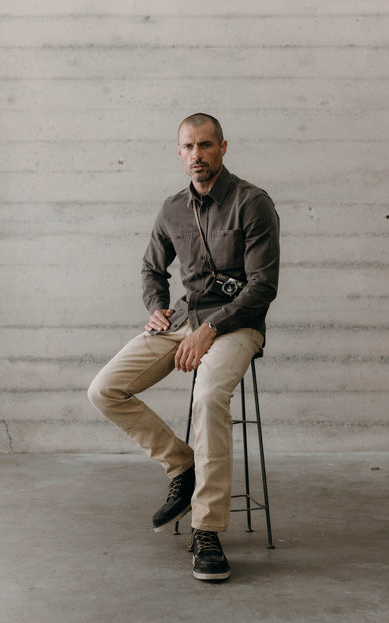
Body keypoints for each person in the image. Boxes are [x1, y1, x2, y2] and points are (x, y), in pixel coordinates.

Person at [88, 113, 280, 581]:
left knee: (209, 396)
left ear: (223, 148)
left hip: (237, 326)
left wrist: (209, 329)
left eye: (206, 145)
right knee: (104, 389)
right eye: (189, 147)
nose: (198, 155)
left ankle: (206, 529)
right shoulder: (172, 208)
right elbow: (152, 269)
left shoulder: (252, 203)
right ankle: (182, 464)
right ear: (180, 153)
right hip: (182, 318)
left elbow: (262, 286)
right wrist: (157, 306)